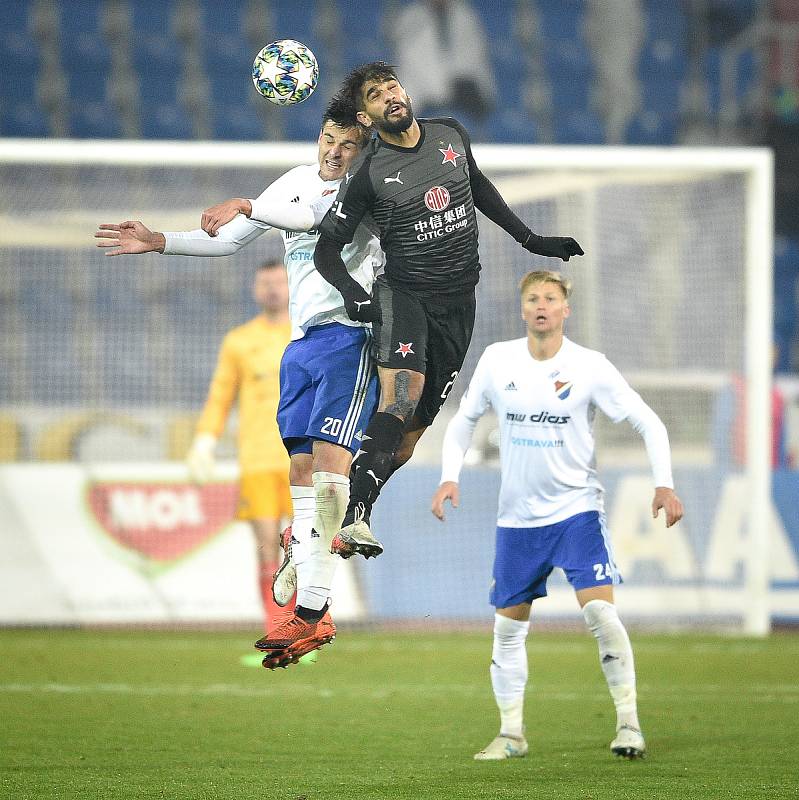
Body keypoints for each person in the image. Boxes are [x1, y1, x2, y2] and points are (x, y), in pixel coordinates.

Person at [95, 94, 382, 669]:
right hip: (302, 344)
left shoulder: (366, 190)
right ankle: (309, 585)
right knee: (300, 469)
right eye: (329, 139)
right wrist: (159, 241)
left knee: (330, 465)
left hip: (352, 335)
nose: (334, 151)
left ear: (363, 150)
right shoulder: (296, 180)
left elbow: (312, 221)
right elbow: (231, 238)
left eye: (348, 144)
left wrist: (248, 203)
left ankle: (312, 611)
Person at [313, 61, 584, 561]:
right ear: (367, 117)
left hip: (460, 303)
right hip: (406, 295)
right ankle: (356, 517)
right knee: (400, 398)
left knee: (409, 439)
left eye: (391, 86)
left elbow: (477, 187)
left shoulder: (451, 134)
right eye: (375, 95)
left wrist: (532, 239)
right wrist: (353, 293)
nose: (390, 95)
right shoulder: (370, 172)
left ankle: (349, 507)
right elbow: (326, 250)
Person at [430, 270, 684, 761]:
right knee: (507, 629)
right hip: (517, 520)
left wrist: (664, 483)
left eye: (550, 298)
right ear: (522, 309)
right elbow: (463, 420)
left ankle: (629, 724)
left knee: (601, 614)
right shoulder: (497, 360)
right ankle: (511, 734)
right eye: (532, 298)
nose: (541, 305)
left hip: (576, 512)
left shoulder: (590, 367)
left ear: (566, 309)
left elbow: (647, 421)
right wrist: (449, 475)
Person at [185, 259, 294, 635]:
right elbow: (220, 397)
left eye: (279, 282)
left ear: (292, 284)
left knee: (303, 552)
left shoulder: (309, 333)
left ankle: (305, 631)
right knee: (268, 551)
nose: (273, 290)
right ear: (255, 289)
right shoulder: (239, 341)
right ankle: (276, 631)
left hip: (304, 460)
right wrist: (204, 441)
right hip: (258, 461)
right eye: (265, 283)